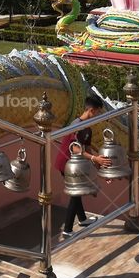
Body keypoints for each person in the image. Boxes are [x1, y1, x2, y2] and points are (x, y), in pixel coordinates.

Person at [54, 95, 110, 236]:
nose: (97, 116)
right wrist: (94, 158)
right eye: (97, 112)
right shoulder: (76, 125)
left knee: (77, 194)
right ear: (91, 110)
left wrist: (100, 167)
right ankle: (67, 230)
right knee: (76, 193)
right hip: (66, 164)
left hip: (77, 165)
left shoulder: (88, 129)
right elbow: (75, 148)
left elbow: (88, 149)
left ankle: (83, 219)